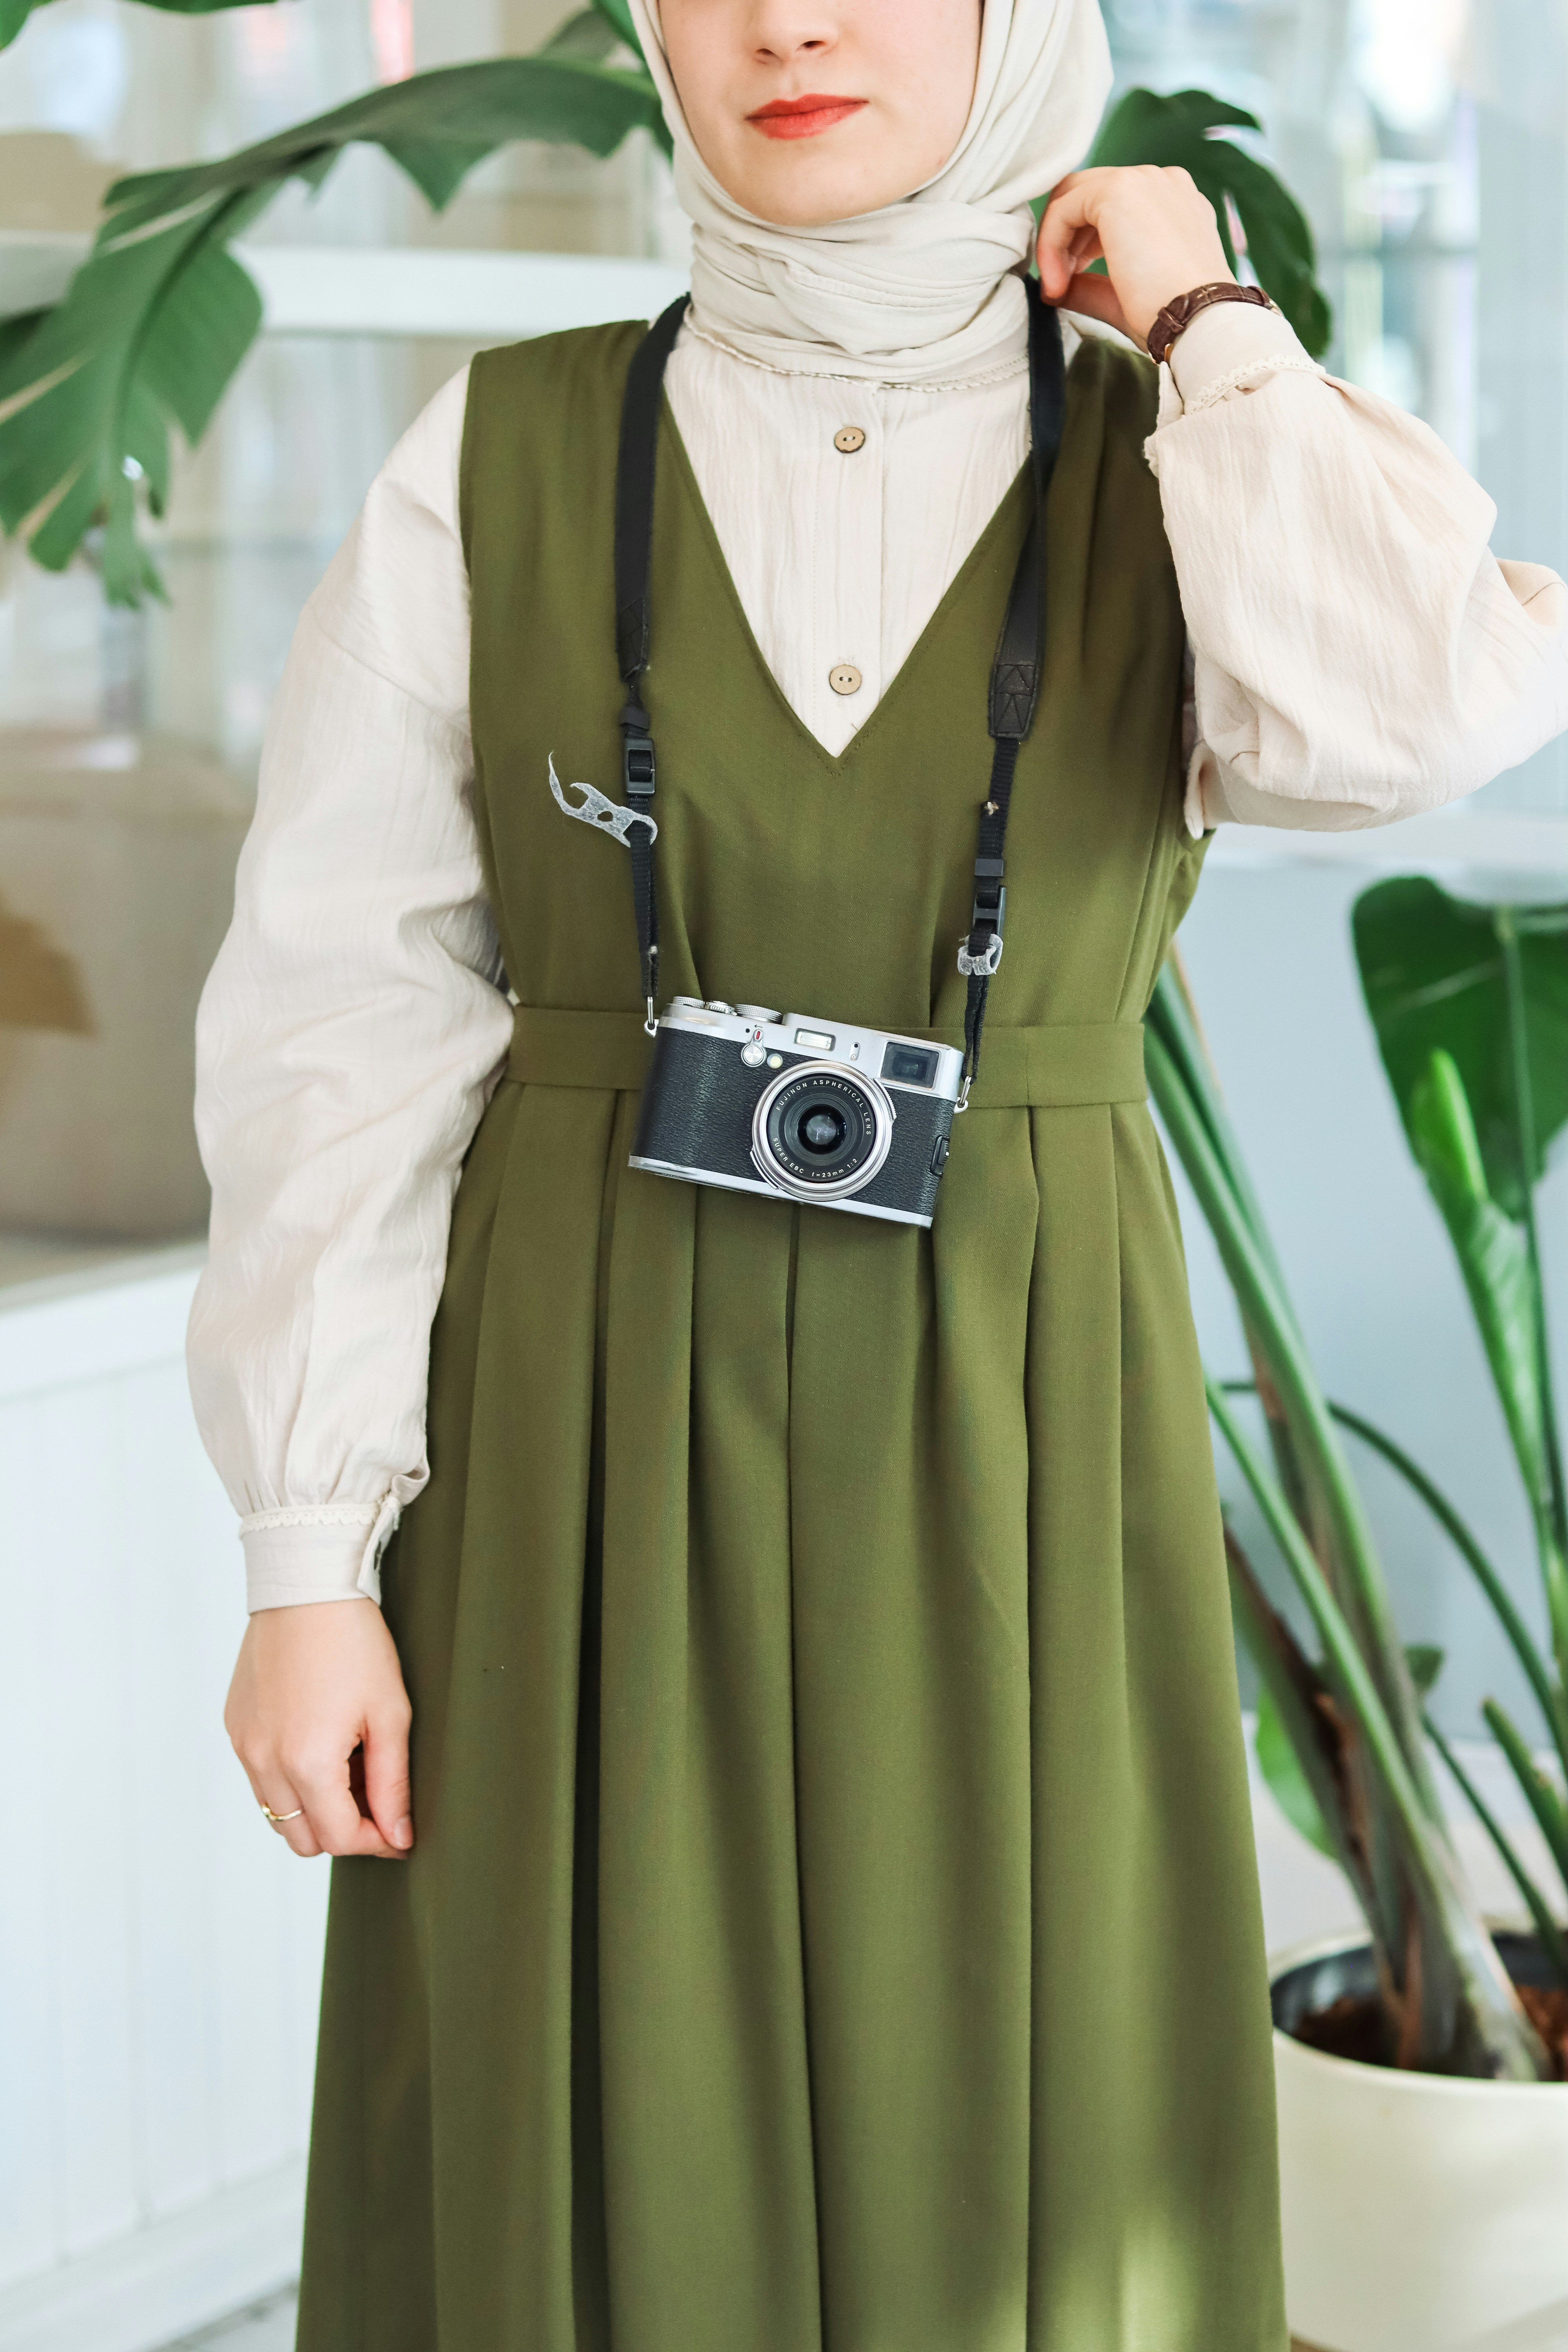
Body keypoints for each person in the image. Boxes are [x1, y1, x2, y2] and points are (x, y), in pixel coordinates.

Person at [187, 1, 1568, 2345]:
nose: (790, 24)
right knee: (577, 2106)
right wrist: (310, 1556)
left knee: (1022, 2136)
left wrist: (1214, 319)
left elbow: (1421, 713)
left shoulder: (1181, 449)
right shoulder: (501, 454)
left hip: (1022, 1382)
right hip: (573, 1396)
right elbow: (343, 1009)